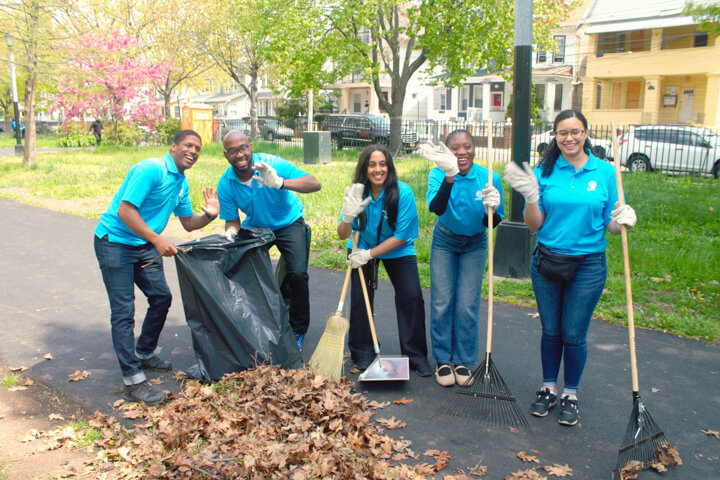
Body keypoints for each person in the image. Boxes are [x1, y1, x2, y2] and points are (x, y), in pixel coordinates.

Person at [504, 110, 637, 426]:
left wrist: (623, 220)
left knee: (573, 334)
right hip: (547, 261)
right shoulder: (543, 171)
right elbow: (533, 225)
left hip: (588, 265)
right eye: (562, 133)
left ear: (586, 133)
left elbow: (612, 226)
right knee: (551, 330)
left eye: (575, 131)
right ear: (555, 136)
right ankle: (548, 387)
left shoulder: (605, 172)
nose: (569, 138)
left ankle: (570, 394)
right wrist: (533, 197)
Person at [93, 130, 219, 405]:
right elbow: (125, 211)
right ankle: (133, 381)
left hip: (143, 245)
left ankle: (144, 352)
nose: (194, 151)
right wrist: (156, 239)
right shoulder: (151, 169)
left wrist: (209, 216)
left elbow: (187, 222)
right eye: (188, 145)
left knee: (161, 298)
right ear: (173, 146)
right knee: (124, 312)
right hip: (115, 242)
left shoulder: (180, 182)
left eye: (198, 148)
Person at [217, 130, 321, 352]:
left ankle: (297, 330)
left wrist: (281, 182)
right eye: (233, 151)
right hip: (256, 226)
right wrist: (231, 232)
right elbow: (232, 221)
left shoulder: (271, 164)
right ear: (227, 155)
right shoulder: (226, 183)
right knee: (244, 273)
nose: (240, 154)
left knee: (298, 274)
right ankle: (256, 324)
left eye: (243, 147)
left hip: (288, 222)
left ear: (251, 147)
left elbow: (314, 183)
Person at [337, 144, 432, 377]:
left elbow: (401, 236)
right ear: (364, 168)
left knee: (411, 296)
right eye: (372, 164)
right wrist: (348, 217)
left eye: (382, 164)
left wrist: (371, 254)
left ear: (389, 167)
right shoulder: (357, 192)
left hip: (396, 249)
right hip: (361, 248)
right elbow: (342, 233)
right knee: (360, 300)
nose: (378, 169)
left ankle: (415, 356)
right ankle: (363, 353)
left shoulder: (403, 192)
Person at [420, 130, 504, 387]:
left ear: (474, 148)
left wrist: (494, 205)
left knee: (467, 304)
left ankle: (463, 360)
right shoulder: (438, 173)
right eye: (455, 148)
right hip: (445, 240)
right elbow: (437, 208)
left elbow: (492, 224)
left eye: (467, 146)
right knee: (443, 300)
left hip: (475, 243)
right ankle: (443, 359)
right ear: (447, 151)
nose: (462, 152)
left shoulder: (489, 177)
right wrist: (449, 175)